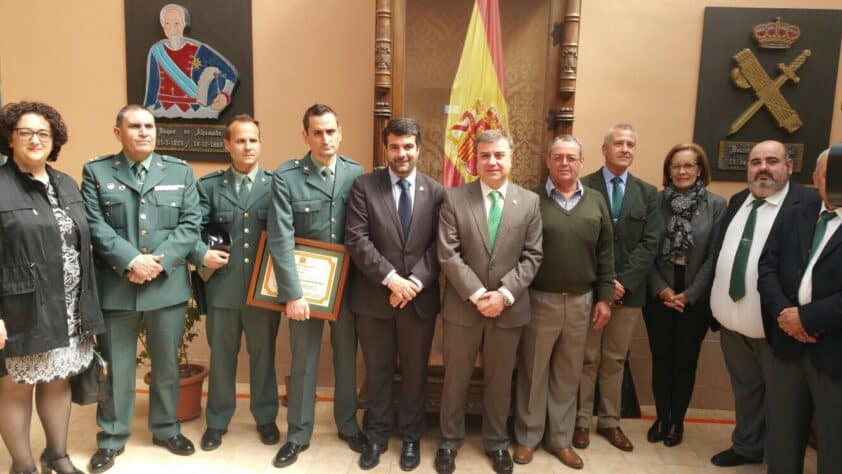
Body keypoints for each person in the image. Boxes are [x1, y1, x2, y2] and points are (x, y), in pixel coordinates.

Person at [81, 104, 201, 473]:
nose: (144, 132)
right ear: (118, 132)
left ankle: (166, 428)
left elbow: (190, 223)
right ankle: (113, 436)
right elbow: (94, 225)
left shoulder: (179, 172)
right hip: (118, 286)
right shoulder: (97, 171)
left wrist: (156, 263)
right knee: (117, 368)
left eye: (149, 125)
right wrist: (132, 261)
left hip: (166, 286)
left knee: (167, 364)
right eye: (134, 126)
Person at [0, 101, 105, 474]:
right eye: (25, 132)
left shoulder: (65, 183)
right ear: (10, 138)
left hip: (70, 305)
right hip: (20, 307)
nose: (35, 139)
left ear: (54, 140)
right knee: (15, 386)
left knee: (58, 378)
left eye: (43, 133)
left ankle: (57, 455)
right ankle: (23, 465)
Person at [434, 130, 543, 474]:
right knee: (456, 378)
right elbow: (448, 255)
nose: (492, 162)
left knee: (499, 381)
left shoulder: (529, 202)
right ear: (474, 160)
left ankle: (497, 443)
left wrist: (505, 295)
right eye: (485, 156)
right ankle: (449, 441)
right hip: (463, 308)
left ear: (511, 158)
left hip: (509, 309)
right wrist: (480, 295)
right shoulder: (454, 199)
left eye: (499, 155)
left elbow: (532, 256)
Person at [266, 104, 366, 468]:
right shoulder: (287, 176)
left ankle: (347, 424)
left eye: (331, 131)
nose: (326, 139)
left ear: (340, 132)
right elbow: (281, 238)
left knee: (346, 359)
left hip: (348, 288)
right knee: (304, 362)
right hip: (305, 291)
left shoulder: (356, 172)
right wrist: (292, 293)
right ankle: (297, 434)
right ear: (305, 136)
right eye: (317, 132)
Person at [344, 118, 445, 470]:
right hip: (374, 300)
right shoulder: (364, 186)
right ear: (385, 148)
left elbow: (440, 246)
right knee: (378, 371)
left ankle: (412, 438)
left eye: (408, 146)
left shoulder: (436, 192)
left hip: (419, 300)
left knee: (415, 373)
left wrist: (414, 282)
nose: (401, 153)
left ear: (418, 148)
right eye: (394, 147)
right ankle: (376, 436)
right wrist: (391, 280)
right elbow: (357, 240)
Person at [708, 140, 816, 467]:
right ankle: (746, 446)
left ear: (789, 167)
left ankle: (780, 459)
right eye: (755, 162)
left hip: (777, 327)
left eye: (772, 161)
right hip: (732, 325)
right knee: (746, 391)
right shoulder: (739, 200)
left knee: (783, 400)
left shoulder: (808, 203)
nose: (763, 168)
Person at [512, 135, 614, 470]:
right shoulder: (531, 200)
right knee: (534, 370)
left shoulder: (597, 201)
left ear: (581, 162)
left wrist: (604, 298)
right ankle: (527, 438)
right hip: (540, 299)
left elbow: (605, 253)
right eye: (558, 157)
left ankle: (560, 440)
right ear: (548, 161)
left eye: (571, 158)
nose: (565, 163)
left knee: (568, 374)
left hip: (583, 301)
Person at [187, 115, 280, 451]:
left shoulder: (275, 185)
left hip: (262, 291)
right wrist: (200, 254)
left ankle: (266, 417)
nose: (247, 146)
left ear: (260, 142)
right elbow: (191, 229)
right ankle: (217, 421)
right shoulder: (209, 186)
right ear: (227, 145)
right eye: (240, 141)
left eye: (253, 140)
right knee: (223, 357)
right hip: (223, 289)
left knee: (263, 357)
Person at [576, 123, 661, 452]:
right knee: (587, 359)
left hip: (629, 292)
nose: (625, 149)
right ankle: (581, 421)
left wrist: (620, 283)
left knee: (614, 360)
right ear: (604, 149)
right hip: (592, 292)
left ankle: (610, 422)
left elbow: (649, 244)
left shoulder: (647, 193)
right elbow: (581, 241)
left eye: (630, 145)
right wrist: (604, 286)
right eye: (618, 143)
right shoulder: (584, 187)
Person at [758, 148, 842, 473]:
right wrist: (785, 315)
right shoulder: (796, 214)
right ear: (816, 179)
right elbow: (767, 268)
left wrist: (806, 319)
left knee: (834, 443)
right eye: (827, 173)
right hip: (788, 346)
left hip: (834, 351)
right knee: (782, 436)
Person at [643, 144, 725, 447]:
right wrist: (661, 290)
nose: (681, 171)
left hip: (696, 299)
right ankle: (661, 417)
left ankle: (677, 421)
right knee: (661, 358)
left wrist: (690, 294)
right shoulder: (655, 202)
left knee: (685, 361)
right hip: (659, 294)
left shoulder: (717, 205)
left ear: (699, 168)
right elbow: (646, 249)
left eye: (688, 165)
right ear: (668, 171)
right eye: (675, 166)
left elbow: (714, 256)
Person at [143, 3, 238, 119]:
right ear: (163, 26)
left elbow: (230, 74)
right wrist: (146, 111)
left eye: (177, 23)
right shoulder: (156, 51)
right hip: (162, 110)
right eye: (167, 24)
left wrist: (225, 95)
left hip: (194, 110)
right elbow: (152, 87)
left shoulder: (199, 50)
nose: (172, 28)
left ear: (184, 25)